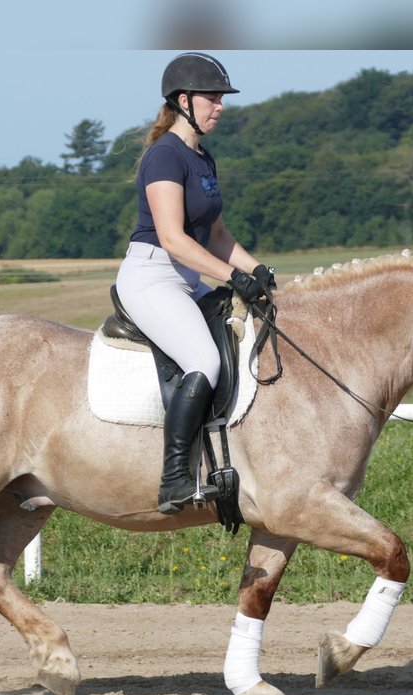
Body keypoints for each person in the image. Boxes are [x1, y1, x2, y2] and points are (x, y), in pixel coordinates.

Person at [115, 51, 275, 515]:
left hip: (187, 275)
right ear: (183, 100)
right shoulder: (165, 156)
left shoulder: (202, 157)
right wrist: (233, 278)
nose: (220, 106)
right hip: (152, 275)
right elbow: (173, 238)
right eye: (213, 98)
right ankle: (174, 478)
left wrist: (259, 271)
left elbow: (219, 237)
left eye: (221, 98)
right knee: (204, 359)